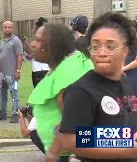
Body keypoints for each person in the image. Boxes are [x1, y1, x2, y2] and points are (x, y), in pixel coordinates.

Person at [59, 12, 137, 161]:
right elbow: (71, 140)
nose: (101, 52)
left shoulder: (124, 80)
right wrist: (122, 148)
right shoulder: (81, 91)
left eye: (110, 46)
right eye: (95, 46)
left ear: (125, 50)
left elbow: (119, 120)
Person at [28, 23, 93, 161]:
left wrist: (53, 153)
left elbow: (71, 119)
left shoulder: (67, 71)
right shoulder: (67, 64)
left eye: (39, 40)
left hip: (67, 153)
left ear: (54, 45)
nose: (33, 44)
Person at [0, 21, 23, 123]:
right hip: (2, 73)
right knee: (3, 94)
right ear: (3, 28)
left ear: (13, 29)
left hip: (12, 74)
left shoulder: (16, 41)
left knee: (14, 93)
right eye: (5, 27)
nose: (7, 29)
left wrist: (18, 71)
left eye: (9, 27)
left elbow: (19, 57)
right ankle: (3, 112)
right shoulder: (1, 42)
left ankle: (16, 113)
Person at [23, 17, 50, 87]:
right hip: (42, 70)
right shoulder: (47, 39)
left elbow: (33, 52)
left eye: (34, 28)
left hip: (40, 70)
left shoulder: (40, 41)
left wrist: (27, 43)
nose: (33, 29)